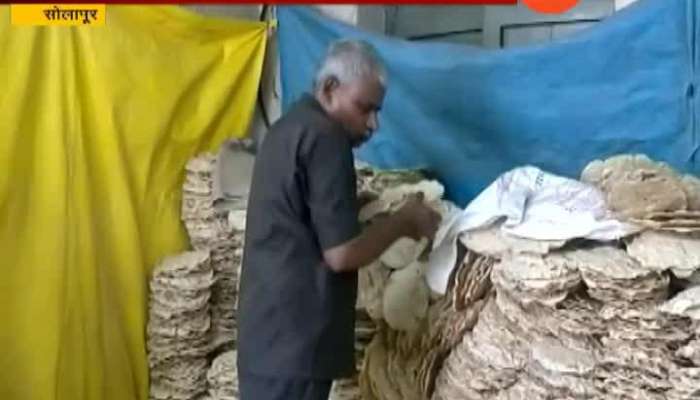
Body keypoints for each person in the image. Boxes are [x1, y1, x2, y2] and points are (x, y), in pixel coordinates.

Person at [237, 39, 442, 400]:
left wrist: (357, 206)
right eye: (364, 109)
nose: (373, 124)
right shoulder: (325, 137)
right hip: (295, 344)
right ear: (330, 89)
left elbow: (300, 215)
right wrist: (404, 222)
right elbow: (342, 254)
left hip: (268, 337)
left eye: (377, 111)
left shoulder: (290, 127)